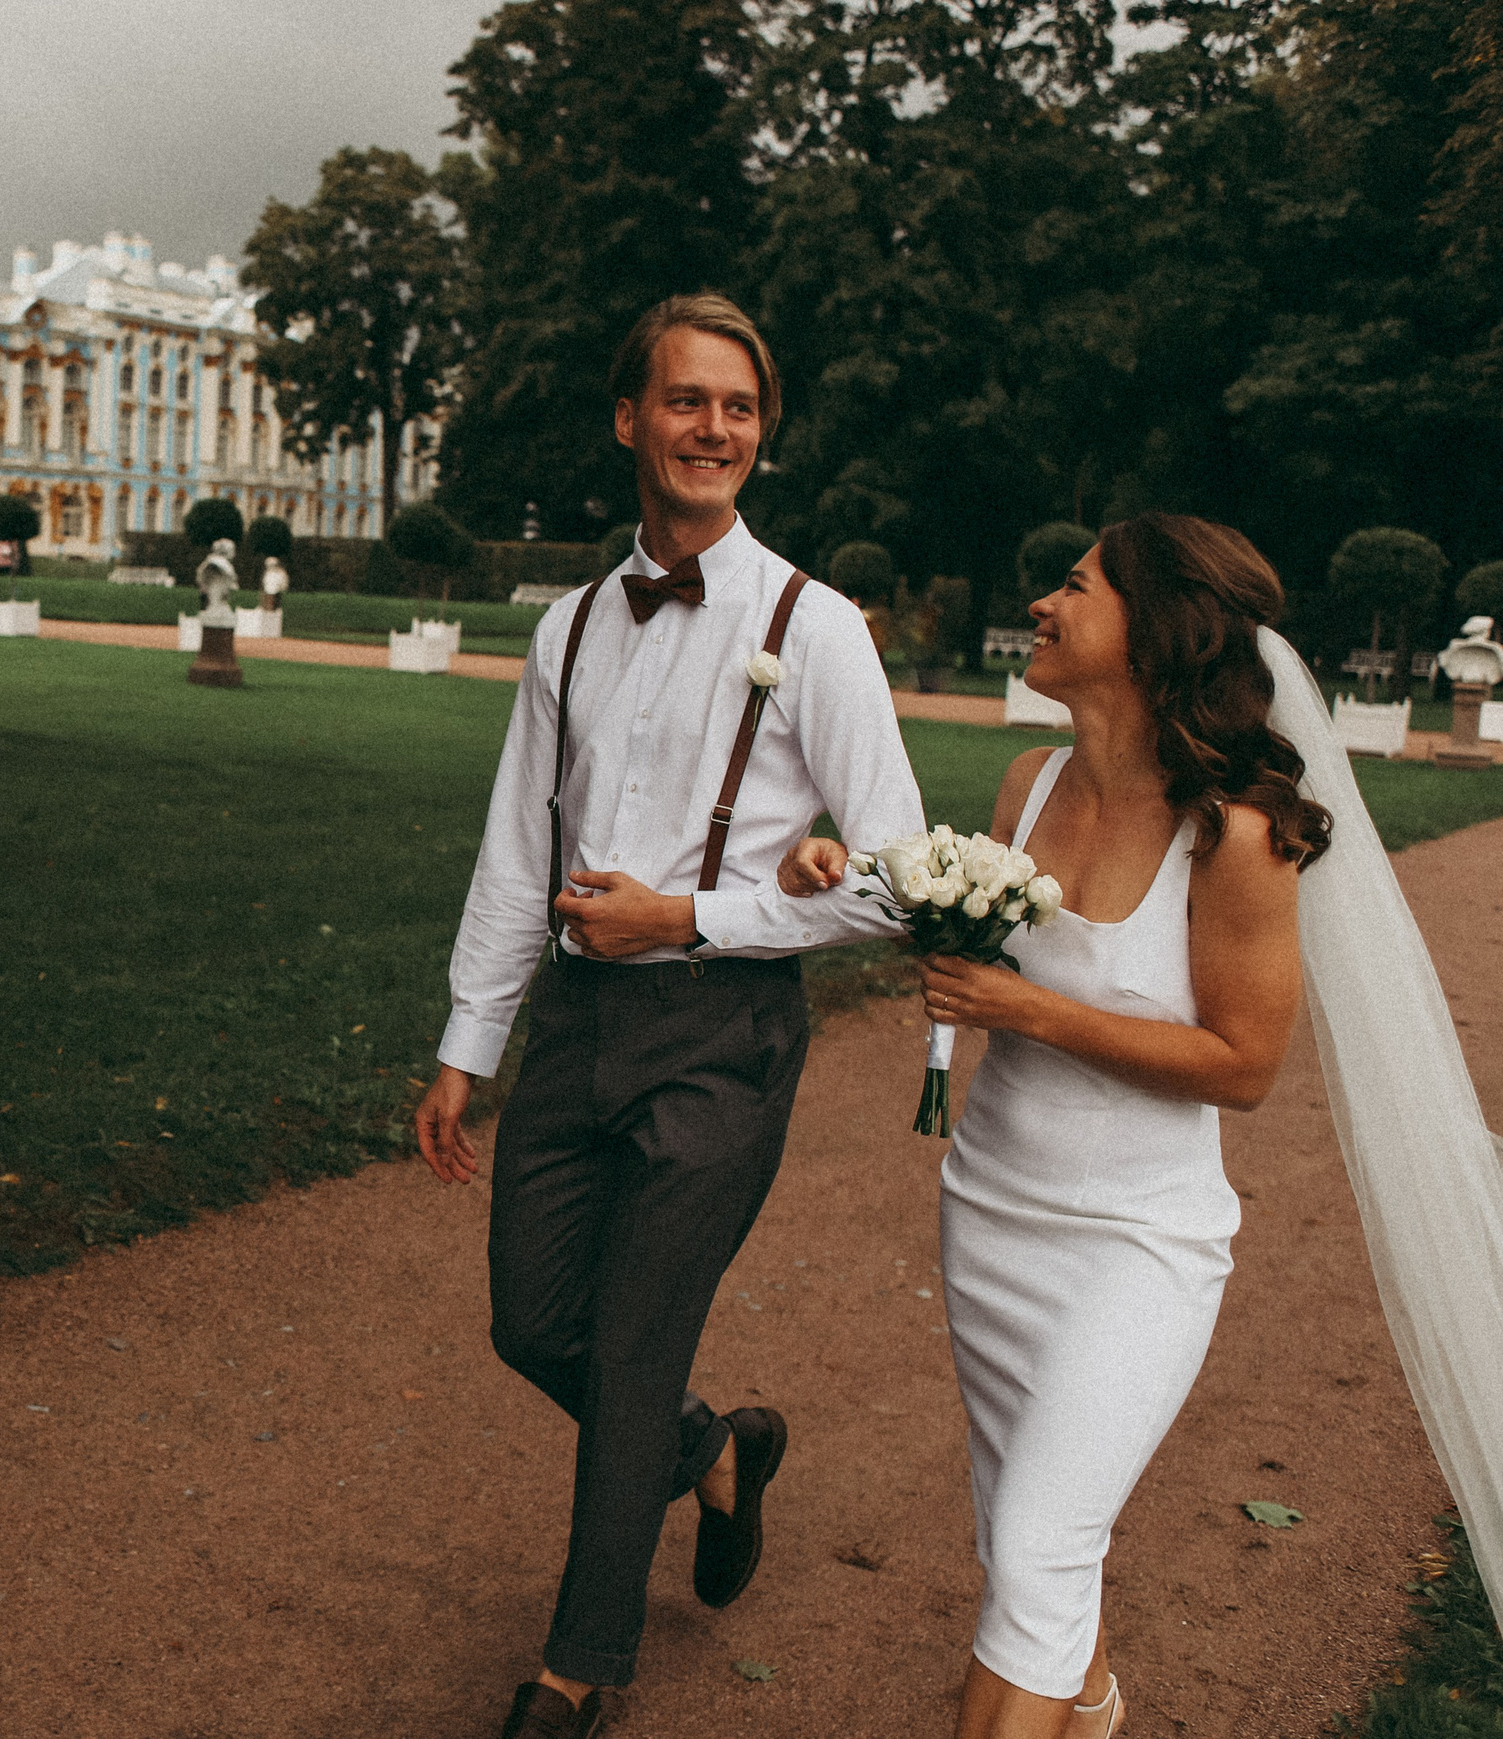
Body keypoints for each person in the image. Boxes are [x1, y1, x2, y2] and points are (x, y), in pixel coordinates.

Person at [413, 293, 924, 1739]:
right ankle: (713, 1447)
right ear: (630, 419)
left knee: (631, 1343)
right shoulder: (570, 627)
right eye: (687, 401)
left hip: (725, 1030)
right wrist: (469, 1041)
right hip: (576, 1028)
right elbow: (519, 848)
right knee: (532, 1321)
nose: (715, 429)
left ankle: (579, 1665)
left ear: (762, 434)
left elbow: (895, 880)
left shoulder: (812, 627)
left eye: (740, 407)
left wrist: (691, 915)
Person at [779, 515, 1333, 1738]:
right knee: (1015, 1533)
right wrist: (849, 873)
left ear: (1153, 631)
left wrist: (1028, 1008)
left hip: (1138, 1242)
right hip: (991, 1213)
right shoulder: (1030, 783)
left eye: (1073, 587)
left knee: (1035, 1541)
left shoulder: (1234, 837)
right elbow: (969, 926)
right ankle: (1086, 1705)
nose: (1041, 602)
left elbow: (1245, 1066)